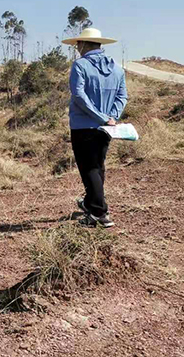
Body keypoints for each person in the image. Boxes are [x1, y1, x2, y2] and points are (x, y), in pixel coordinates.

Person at [62, 27, 127, 228]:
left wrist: (99, 117)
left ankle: (99, 212)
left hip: (84, 126)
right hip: (106, 128)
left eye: (78, 45)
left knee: (88, 168)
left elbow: (79, 96)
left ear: (82, 45)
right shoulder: (116, 68)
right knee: (98, 166)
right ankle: (91, 203)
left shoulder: (80, 65)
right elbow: (122, 96)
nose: (77, 48)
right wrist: (111, 117)